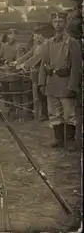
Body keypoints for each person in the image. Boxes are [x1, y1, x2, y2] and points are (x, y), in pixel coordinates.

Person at [37, 12, 81, 151]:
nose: (57, 24)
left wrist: (72, 85)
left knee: (69, 114)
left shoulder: (72, 42)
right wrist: (41, 83)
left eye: (60, 21)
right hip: (52, 84)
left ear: (65, 23)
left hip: (66, 83)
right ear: (52, 23)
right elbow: (44, 64)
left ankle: (70, 140)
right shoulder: (48, 43)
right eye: (55, 21)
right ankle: (58, 139)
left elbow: (76, 66)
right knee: (54, 113)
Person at [15, 25, 50, 121]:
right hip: (35, 74)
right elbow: (29, 54)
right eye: (34, 36)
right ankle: (38, 114)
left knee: (42, 95)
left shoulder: (46, 44)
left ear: (40, 35)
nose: (34, 38)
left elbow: (37, 57)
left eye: (35, 36)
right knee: (36, 96)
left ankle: (44, 114)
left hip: (43, 74)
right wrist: (17, 62)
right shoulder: (37, 44)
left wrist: (24, 65)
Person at [0, 28, 25, 119]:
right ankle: (9, 108)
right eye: (10, 35)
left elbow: (20, 59)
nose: (11, 37)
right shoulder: (4, 46)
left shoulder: (19, 46)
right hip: (4, 74)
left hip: (15, 74)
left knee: (16, 92)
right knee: (5, 92)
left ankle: (16, 111)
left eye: (13, 35)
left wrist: (14, 64)